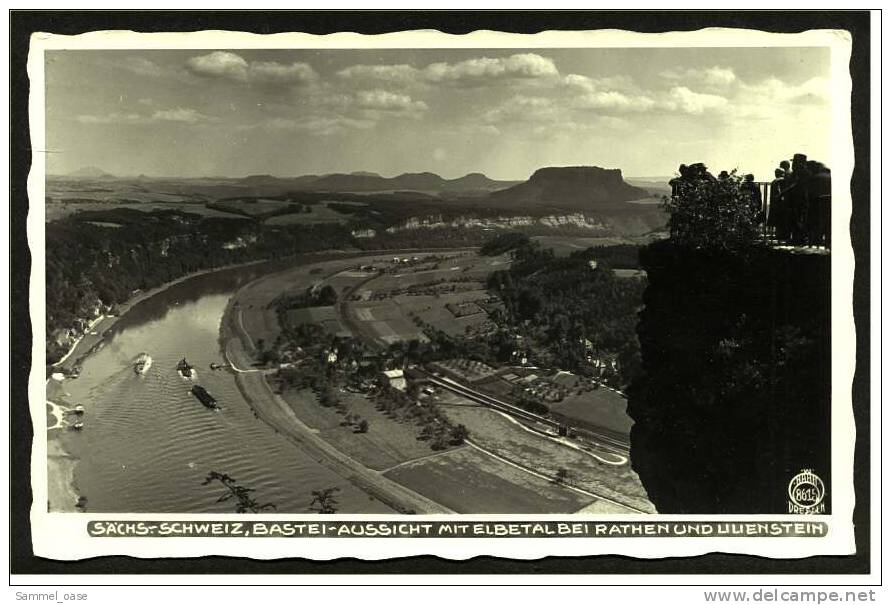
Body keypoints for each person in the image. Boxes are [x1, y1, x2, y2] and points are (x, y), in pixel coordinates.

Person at [786, 154, 812, 245]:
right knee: (796, 219)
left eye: (795, 162)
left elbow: (795, 185)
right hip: (796, 199)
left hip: (800, 199)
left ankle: (800, 239)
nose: (793, 165)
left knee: (799, 219)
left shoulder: (803, 173)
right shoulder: (801, 173)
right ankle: (797, 238)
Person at [806, 161, 832, 247]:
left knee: (817, 223)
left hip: (817, 202)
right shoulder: (832, 177)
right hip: (829, 202)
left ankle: (816, 242)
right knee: (828, 224)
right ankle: (828, 242)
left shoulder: (815, 177)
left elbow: (809, 192)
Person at [768, 168, 789, 241]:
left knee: (777, 220)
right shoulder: (781, 180)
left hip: (774, 203)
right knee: (781, 219)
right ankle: (782, 235)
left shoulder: (774, 181)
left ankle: (778, 234)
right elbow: (779, 191)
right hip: (780, 203)